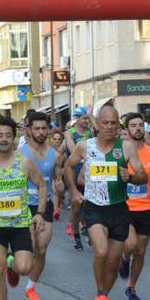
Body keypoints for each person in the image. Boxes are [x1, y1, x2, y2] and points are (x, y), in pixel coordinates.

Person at [64, 105, 148, 300]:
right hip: (94, 208)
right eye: (105, 123)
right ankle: (100, 293)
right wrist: (73, 191)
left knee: (112, 260)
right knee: (101, 252)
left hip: (119, 209)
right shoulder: (85, 146)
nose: (110, 127)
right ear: (97, 124)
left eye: (113, 123)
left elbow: (142, 176)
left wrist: (129, 176)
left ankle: (102, 296)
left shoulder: (127, 147)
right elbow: (68, 166)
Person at [0, 116, 48, 300]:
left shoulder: (23, 162)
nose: (4, 139)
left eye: (8, 135)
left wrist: (40, 213)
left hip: (20, 224)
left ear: (14, 139)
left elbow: (41, 185)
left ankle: (12, 262)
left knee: (24, 268)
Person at [118, 113, 150, 300]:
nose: (138, 128)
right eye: (133, 125)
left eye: (140, 125)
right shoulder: (120, 151)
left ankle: (131, 286)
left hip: (145, 206)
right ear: (126, 129)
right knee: (130, 245)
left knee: (140, 251)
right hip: (125, 205)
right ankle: (123, 256)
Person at [19, 112, 64, 300]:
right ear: (29, 130)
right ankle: (15, 265)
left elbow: (58, 179)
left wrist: (61, 187)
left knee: (42, 250)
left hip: (44, 204)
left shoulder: (56, 155)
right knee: (28, 251)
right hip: (22, 205)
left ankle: (30, 288)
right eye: (36, 128)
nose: (41, 132)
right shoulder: (19, 152)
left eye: (44, 128)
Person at [64, 106, 93, 251]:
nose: (87, 121)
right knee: (77, 206)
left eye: (88, 118)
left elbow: (99, 131)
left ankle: (88, 229)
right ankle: (75, 235)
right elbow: (73, 149)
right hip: (74, 171)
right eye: (84, 118)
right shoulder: (70, 133)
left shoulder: (91, 132)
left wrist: (91, 116)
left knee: (89, 204)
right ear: (78, 118)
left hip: (89, 171)